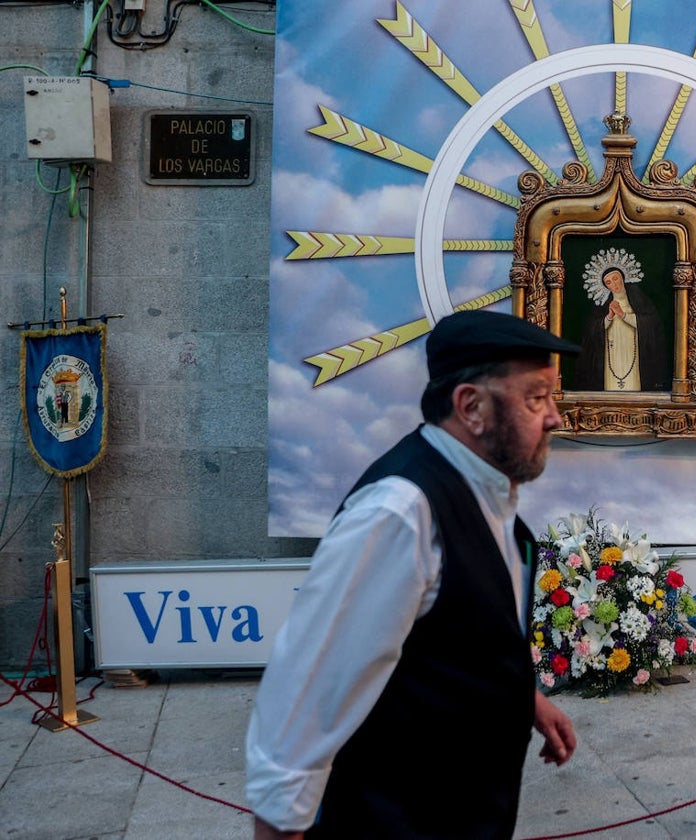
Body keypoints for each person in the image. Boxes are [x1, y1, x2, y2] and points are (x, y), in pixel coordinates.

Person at [245, 309, 581, 839]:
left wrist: (525, 700)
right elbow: (309, 691)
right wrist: (281, 826)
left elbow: (453, 637)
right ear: (471, 406)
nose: (554, 416)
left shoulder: (483, 491)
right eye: (536, 398)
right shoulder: (400, 512)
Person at [576, 255, 668, 392]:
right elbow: (591, 331)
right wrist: (609, 317)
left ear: (622, 278)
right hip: (612, 355)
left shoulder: (639, 299)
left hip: (634, 353)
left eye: (615, 278)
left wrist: (623, 315)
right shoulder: (603, 305)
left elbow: (651, 323)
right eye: (608, 282)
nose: (614, 284)